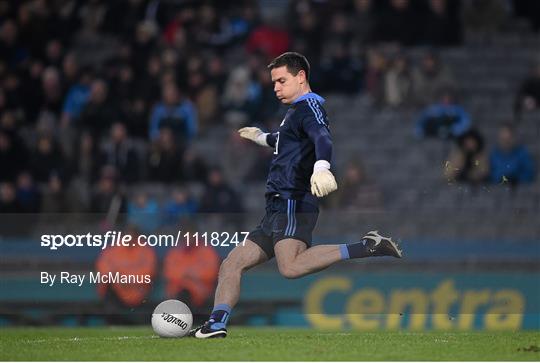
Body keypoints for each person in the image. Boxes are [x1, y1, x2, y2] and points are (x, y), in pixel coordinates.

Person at [190, 52, 402, 339]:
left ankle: (366, 246)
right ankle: (215, 323)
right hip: (275, 206)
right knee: (232, 263)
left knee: (289, 267)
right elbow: (287, 142)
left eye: (281, 80)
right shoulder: (294, 112)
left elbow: (322, 138)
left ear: (301, 77)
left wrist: (322, 167)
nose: (276, 87)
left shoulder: (310, 105)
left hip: (293, 199)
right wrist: (262, 137)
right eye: (274, 82)